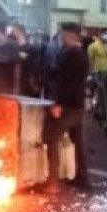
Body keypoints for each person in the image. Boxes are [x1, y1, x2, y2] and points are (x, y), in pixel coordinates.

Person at [40, 22, 91, 194]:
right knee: (79, 142)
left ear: (71, 36)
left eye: (63, 35)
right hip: (79, 104)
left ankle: (52, 181)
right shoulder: (82, 54)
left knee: (50, 137)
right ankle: (83, 178)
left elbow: (66, 82)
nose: (61, 38)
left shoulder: (71, 55)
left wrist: (57, 103)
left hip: (68, 105)